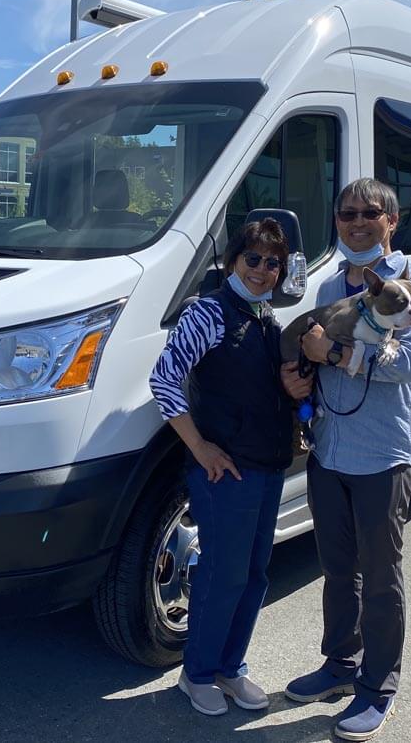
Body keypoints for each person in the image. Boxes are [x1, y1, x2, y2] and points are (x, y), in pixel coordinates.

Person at [281, 178, 411, 741]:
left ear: (391, 221)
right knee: (336, 570)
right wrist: (299, 370)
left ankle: (378, 686)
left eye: (370, 213)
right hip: (330, 450)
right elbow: (312, 350)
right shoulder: (330, 282)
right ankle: (340, 665)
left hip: (381, 455)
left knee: (380, 576)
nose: (357, 222)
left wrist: (337, 352)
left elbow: (408, 364)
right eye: (347, 214)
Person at [148, 218, 302, 717]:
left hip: (267, 465)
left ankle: (230, 668)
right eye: (253, 259)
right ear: (234, 260)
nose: (262, 270)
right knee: (222, 574)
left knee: (255, 574)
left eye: (272, 262)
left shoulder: (266, 317)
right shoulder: (209, 313)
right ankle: (196, 675)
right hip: (225, 472)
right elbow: (165, 380)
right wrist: (201, 448)